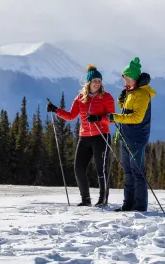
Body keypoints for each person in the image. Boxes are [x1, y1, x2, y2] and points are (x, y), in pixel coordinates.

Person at [47, 65, 115, 207]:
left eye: (99, 80)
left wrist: (97, 118)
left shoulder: (106, 97)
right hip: (85, 137)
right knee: (78, 168)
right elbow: (71, 116)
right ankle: (86, 199)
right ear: (88, 82)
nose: (97, 83)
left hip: (101, 136)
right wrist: (56, 110)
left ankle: (103, 199)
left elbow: (111, 118)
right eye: (94, 80)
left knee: (100, 169)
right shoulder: (80, 98)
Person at [106, 57, 155, 212]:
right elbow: (128, 111)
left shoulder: (142, 94)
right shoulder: (131, 92)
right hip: (127, 136)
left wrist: (114, 117)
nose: (125, 82)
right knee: (128, 172)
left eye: (128, 79)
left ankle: (140, 206)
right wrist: (121, 103)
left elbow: (136, 117)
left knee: (137, 171)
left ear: (135, 78)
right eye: (124, 79)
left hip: (137, 138)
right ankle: (128, 204)